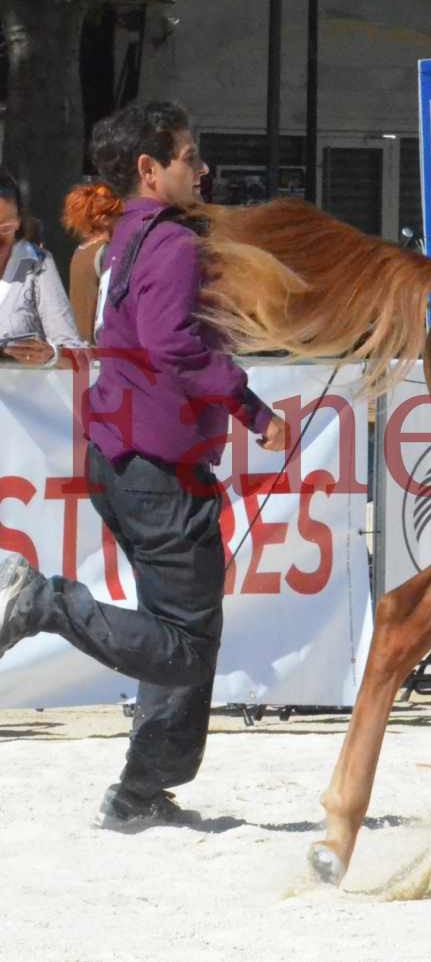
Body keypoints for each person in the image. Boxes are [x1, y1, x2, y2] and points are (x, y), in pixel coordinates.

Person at [0, 100, 287, 829]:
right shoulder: (170, 246)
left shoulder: (124, 239)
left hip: (127, 457)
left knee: (184, 630)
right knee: (186, 646)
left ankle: (142, 791)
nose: (203, 167)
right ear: (149, 169)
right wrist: (253, 407)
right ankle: (43, 603)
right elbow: (173, 349)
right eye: (190, 156)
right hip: (157, 463)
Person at [0, 168, 87, 364]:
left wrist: (52, 355)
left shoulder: (35, 264)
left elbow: (73, 349)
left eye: (4, 228)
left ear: (18, 222)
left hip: (22, 390)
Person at [63, 180, 126, 343]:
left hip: (79, 347)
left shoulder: (80, 251)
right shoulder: (107, 252)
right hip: (98, 351)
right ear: (105, 218)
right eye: (120, 216)